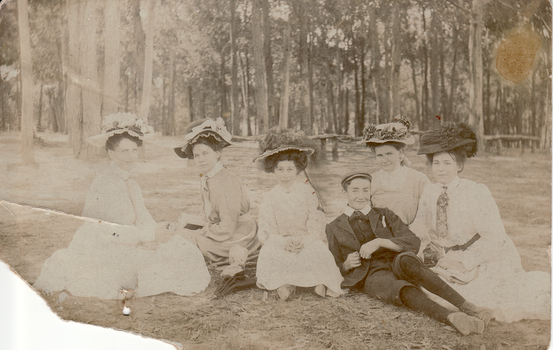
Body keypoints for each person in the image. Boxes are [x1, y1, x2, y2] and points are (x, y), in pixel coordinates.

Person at [33, 113, 211, 299]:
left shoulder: (131, 182)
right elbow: (111, 231)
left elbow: (142, 215)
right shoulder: (104, 183)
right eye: (124, 151)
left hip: (131, 238)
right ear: (111, 153)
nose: (131, 156)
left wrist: (157, 230)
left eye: (134, 150)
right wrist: (148, 236)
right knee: (151, 263)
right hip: (105, 245)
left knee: (184, 249)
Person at [410, 122, 551, 323]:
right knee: (430, 289)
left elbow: (495, 239)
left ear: (459, 165)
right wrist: (424, 251)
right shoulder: (429, 192)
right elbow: (419, 228)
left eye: (447, 163)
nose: (440, 169)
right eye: (436, 163)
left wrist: (463, 261)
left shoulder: (475, 192)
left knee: (483, 298)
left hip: (484, 256)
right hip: (445, 258)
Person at [325, 170, 492, 335]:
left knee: (409, 262)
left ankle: (469, 307)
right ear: (344, 192)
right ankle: (451, 317)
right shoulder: (333, 227)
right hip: (370, 273)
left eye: (365, 190)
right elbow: (335, 266)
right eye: (355, 190)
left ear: (370, 191)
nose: (361, 196)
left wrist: (380, 242)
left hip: (397, 260)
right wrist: (346, 265)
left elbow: (413, 241)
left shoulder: (384, 214)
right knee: (399, 289)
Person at [253, 130, 344, 300]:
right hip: (282, 242)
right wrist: (284, 242)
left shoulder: (307, 192)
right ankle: (286, 285)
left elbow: (316, 223)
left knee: (318, 250)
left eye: (289, 169)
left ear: (297, 170)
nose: (285, 174)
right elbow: (267, 229)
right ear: (273, 170)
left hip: (305, 240)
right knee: (270, 252)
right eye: (280, 169)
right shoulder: (270, 197)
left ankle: (320, 282)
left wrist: (304, 241)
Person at [174, 118, 260, 268]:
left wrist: (203, 232)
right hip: (222, 229)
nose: (201, 159)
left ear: (218, 153)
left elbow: (227, 226)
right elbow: (209, 214)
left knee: (185, 240)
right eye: (197, 156)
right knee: (180, 232)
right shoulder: (208, 177)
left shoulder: (226, 180)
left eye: (205, 153)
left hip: (239, 234)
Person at [361, 117, 430, 225]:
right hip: (380, 236)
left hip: (412, 234)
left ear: (401, 154)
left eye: (389, 154)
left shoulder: (419, 179)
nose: (385, 160)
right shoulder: (370, 181)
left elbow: (427, 213)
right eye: (380, 155)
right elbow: (364, 215)